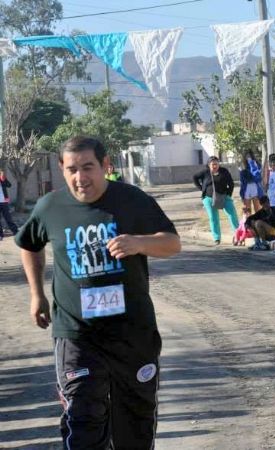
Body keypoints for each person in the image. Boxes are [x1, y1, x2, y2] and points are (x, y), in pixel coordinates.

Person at [15, 136, 181, 449]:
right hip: (77, 333)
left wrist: (139, 243)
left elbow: (172, 242)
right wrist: (36, 293)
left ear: (105, 166)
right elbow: (29, 244)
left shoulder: (131, 200)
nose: (81, 177)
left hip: (132, 334)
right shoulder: (50, 207)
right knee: (83, 420)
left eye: (88, 167)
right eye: (72, 169)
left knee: (135, 427)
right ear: (63, 170)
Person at [193, 156, 239, 245]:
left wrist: (228, 195)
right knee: (213, 218)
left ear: (219, 164)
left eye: (216, 164)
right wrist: (202, 189)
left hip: (224, 197)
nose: (215, 166)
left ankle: (238, 235)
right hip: (209, 198)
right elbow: (194, 177)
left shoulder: (224, 171)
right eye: (213, 164)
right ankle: (217, 238)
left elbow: (231, 184)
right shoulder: (205, 172)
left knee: (232, 214)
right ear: (209, 165)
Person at [0, 168, 19, 240]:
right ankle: (1, 235)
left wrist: (3, 179)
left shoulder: (2, 179)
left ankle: (16, 232)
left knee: (8, 218)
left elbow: (9, 185)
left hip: (4, 202)